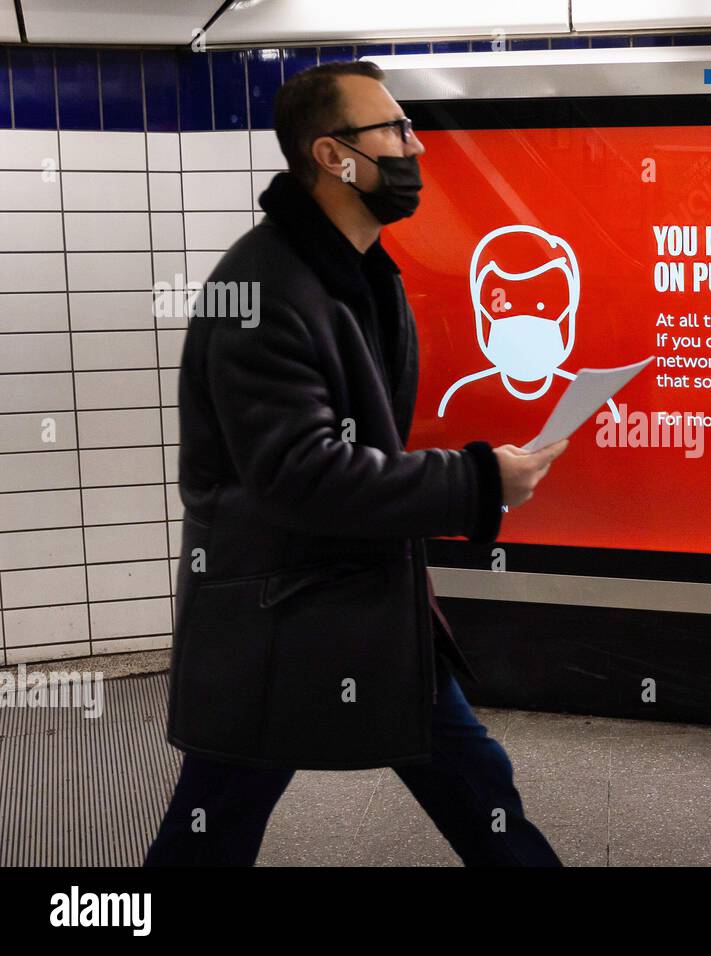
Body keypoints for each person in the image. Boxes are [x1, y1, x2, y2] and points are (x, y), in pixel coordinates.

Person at [143, 60, 567, 866]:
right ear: (336, 156)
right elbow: (302, 473)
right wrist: (477, 480)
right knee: (218, 815)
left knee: (476, 783)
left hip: (357, 604)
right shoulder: (264, 290)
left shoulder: (359, 276)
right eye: (397, 132)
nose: (417, 150)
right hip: (280, 616)